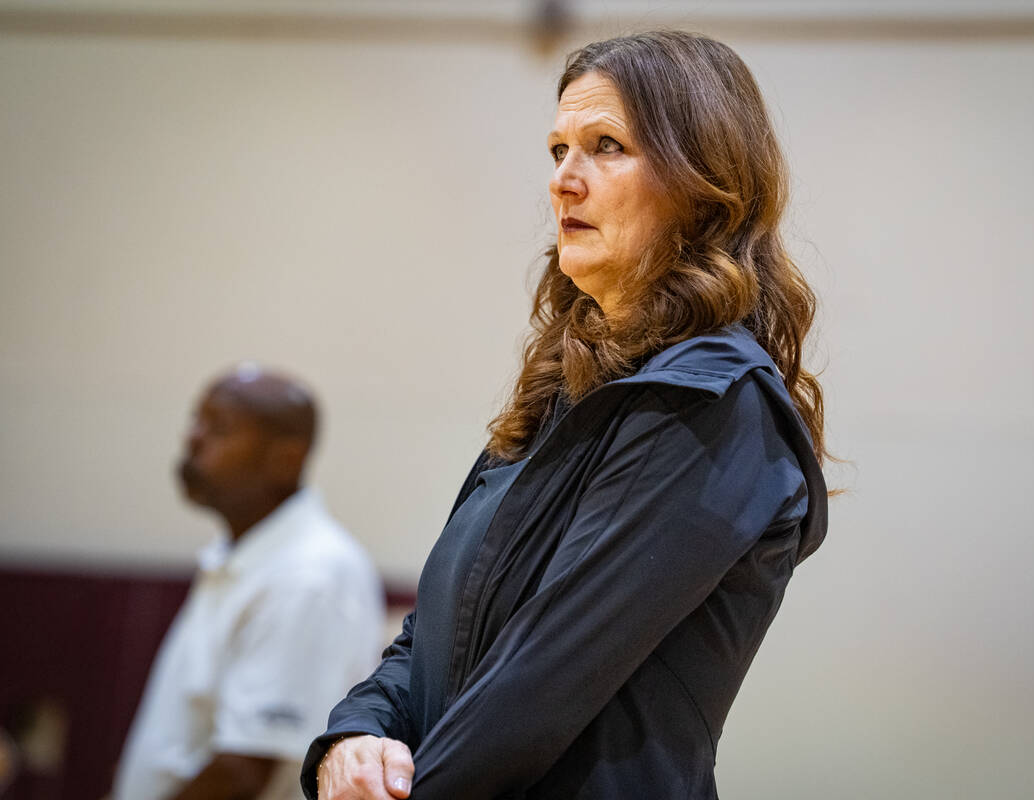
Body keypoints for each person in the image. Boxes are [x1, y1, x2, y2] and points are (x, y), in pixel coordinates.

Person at [304, 30, 829, 799]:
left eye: (606, 147)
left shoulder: (712, 403)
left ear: (702, 183)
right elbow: (433, 632)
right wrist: (355, 736)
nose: (563, 181)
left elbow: (533, 693)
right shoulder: (564, 388)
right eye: (558, 151)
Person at [113, 365, 385, 800]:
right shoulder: (244, 555)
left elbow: (242, 771)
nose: (193, 439)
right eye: (197, 420)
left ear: (286, 458)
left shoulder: (310, 575)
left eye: (219, 428)